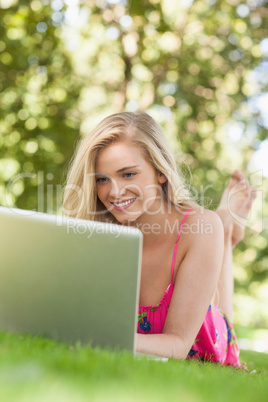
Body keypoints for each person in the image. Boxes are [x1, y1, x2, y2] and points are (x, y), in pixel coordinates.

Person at [63, 112, 256, 367]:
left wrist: (101, 338)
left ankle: (226, 233)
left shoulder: (199, 227)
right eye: (102, 179)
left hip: (205, 338)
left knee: (219, 316)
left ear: (160, 172)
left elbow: (177, 344)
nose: (114, 191)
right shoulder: (96, 229)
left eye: (128, 174)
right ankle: (225, 233)